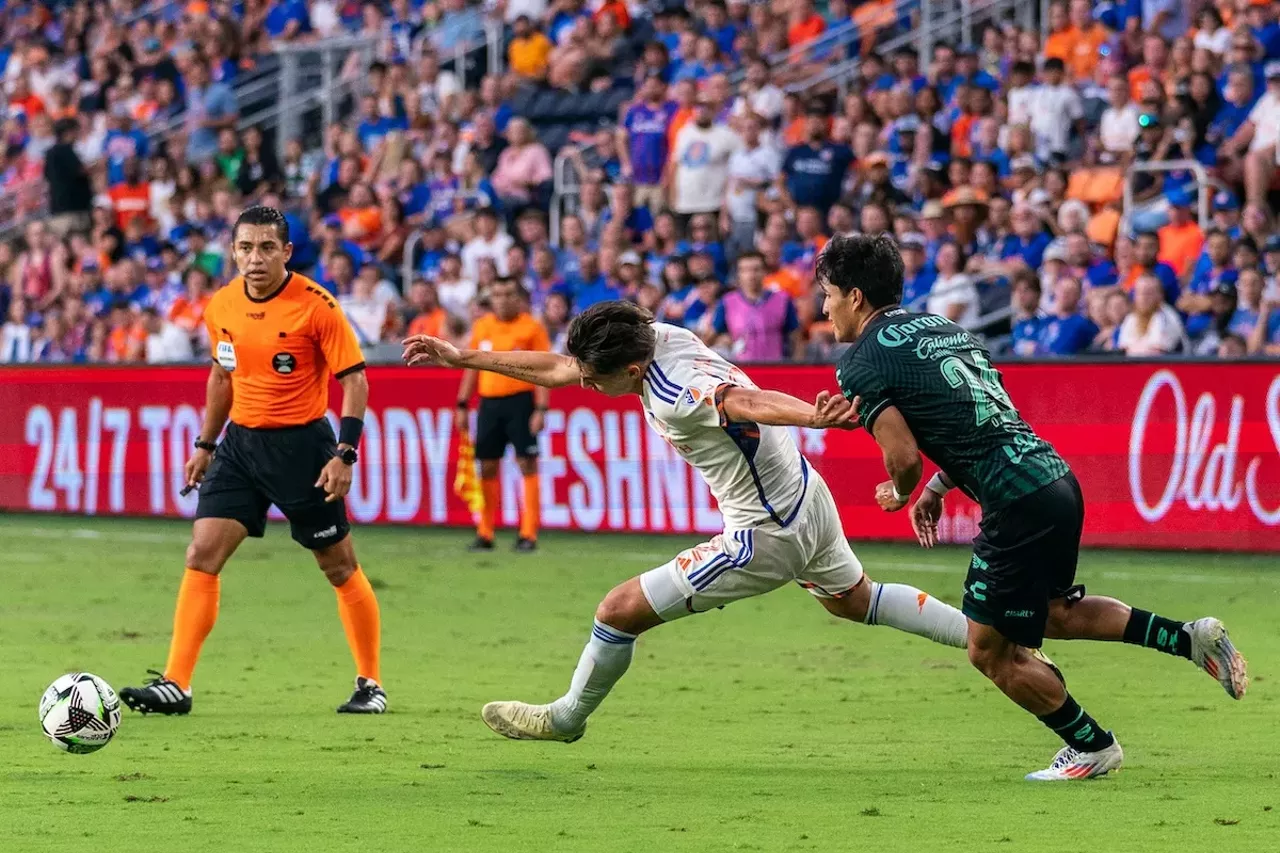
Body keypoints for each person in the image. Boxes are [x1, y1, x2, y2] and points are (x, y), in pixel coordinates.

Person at [403, 302, 974, 743]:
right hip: (803, 493)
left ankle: (566, 717)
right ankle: (992, 639)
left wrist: (811, 416)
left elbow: (741, 403)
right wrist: (465, 358)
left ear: (630, 367)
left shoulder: (677, 392)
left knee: (616, 611)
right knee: (856, 601)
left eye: (597, 380)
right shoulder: (654, 334)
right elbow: (559, 367)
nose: (590, 385)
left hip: (763, 535)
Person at [815, 233, 1247, 781]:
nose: (823, 307)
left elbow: (902, 457)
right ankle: (1188, 637)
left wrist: (901, 491)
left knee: (988, 649)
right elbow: (984, 416)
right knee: (1052, 613)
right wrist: (940, 487)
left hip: (1015, 503)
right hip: (1053, 479)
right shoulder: (945, 329)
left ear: (855, 297)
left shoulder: (861, 361)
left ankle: (1091, 746)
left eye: (827, 294)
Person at [120, 206, 387, 716]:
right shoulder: (221, 307)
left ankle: (370, 682)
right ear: (234, 252)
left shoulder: (316, 305)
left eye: (267, 248)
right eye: (245, 247)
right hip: (240, 446)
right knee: (202, 554)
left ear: (286, 252)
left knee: (338, 566)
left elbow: (354, 379)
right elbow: (223, 377)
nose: (255, 258)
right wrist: (205, 443)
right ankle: (177, 683)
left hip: (303, 449)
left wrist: (344, 453)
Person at [455, 278, 551, 552]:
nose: (502, 300)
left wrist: (541, 408)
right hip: (489, 404)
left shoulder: (531, 327)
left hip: (521, 402)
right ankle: (485, 532)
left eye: (508, 294)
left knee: (526, 463)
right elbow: (470, 366)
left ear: (518, 298)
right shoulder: (483, 326)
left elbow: (545, 369)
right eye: (497, 294)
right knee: (486, 464)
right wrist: (462, 403)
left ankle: (528, 533)